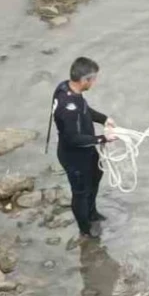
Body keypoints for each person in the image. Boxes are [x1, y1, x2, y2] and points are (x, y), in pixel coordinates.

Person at [51, 57, 117, 240]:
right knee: (80, 193)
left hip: (87, 151)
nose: (95, 82)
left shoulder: (66, 87)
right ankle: (85, 230)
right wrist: (103, 138)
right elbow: (73, 139)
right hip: (74, 156)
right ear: (85, 80)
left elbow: (85, 110)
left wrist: (104, 119)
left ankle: (92, 213)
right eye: (93, 79)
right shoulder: (68, 108)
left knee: (95, 177)